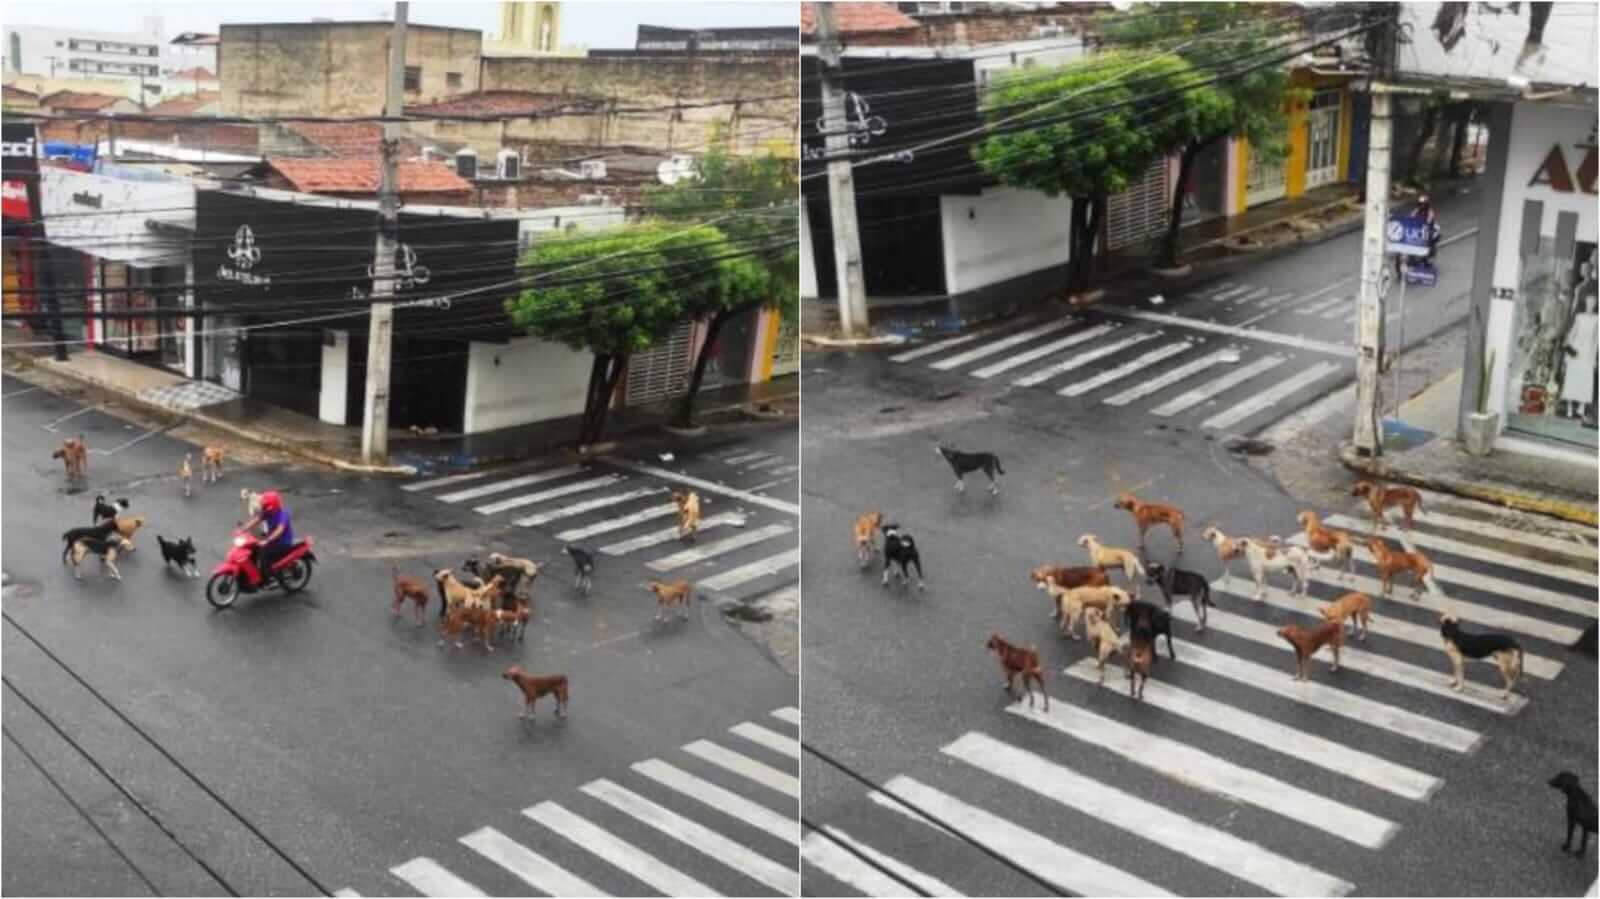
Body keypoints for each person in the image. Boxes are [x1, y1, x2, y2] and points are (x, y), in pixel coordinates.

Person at [240, 490, 295, 580]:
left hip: (282, 542)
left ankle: (267, 576)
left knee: (263, 553)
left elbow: (279, 530)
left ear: (271, 506)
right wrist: (243, 529)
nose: (263, 506)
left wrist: (267, 540)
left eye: (265, 505)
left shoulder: (283, 514)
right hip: (272, 539)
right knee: (252, 548)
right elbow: (257, 520)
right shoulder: (269, 512)